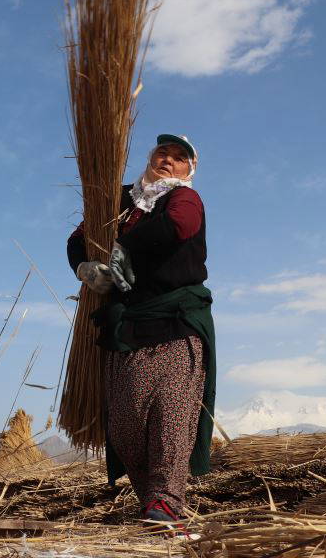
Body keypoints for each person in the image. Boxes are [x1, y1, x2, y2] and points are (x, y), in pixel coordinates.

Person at [66, 134, 216, 528]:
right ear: (150, 158)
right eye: (162, 153)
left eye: (179, 157)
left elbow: (179, 226)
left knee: (171, 413)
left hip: (175, 321)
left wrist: (123, 246)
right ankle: (152, 500)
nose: (168, 160)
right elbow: (79, 238)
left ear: (189, 169)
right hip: (129, 324)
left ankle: (166, 502)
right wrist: (84, 267)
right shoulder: (120, 201)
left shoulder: (183, 198)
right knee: (125, 424)